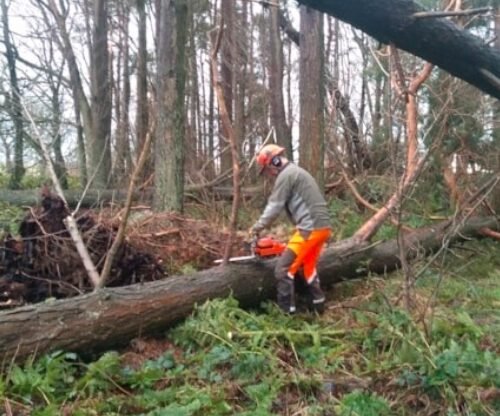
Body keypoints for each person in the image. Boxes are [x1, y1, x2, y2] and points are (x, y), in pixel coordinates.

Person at [250, 144, 332, 314]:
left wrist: (256, 227)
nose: (269, 174)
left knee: (283, 269)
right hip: (322, 228)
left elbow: (274, 206)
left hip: (309, 230)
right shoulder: (297, 172)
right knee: (307, 267)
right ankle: (318, 307)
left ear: (275, 161)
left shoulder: (286, 175)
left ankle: (287, 314)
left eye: (267, 170)